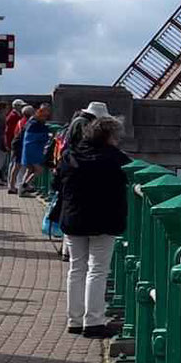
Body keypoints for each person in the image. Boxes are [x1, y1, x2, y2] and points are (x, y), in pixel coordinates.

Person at [55, 114, 130, 337]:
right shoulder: (115, 159)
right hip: (104, 219)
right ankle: (94, 321)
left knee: (76, 268)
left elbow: (56, 182)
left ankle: (74, 320)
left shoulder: (70, 154)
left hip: (74, 217)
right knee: (98, 270)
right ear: (109, 136)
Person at [16, 103, 54, 197]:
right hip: (33, 149)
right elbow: (40, 135)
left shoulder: (31, 120)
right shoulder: (37, 122)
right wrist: (48, 135)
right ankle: (25, 186)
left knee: (29, 170)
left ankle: (22, 189)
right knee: (39, 170)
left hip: (27, 148)